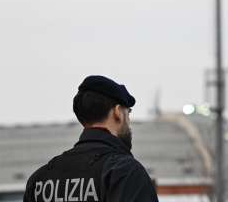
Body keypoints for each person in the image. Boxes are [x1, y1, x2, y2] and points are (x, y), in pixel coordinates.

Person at [24, 75, 159, 202]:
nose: (128, 120)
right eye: (128, 112)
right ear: (117, 112)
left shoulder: (38, 181)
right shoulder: (125, 173)